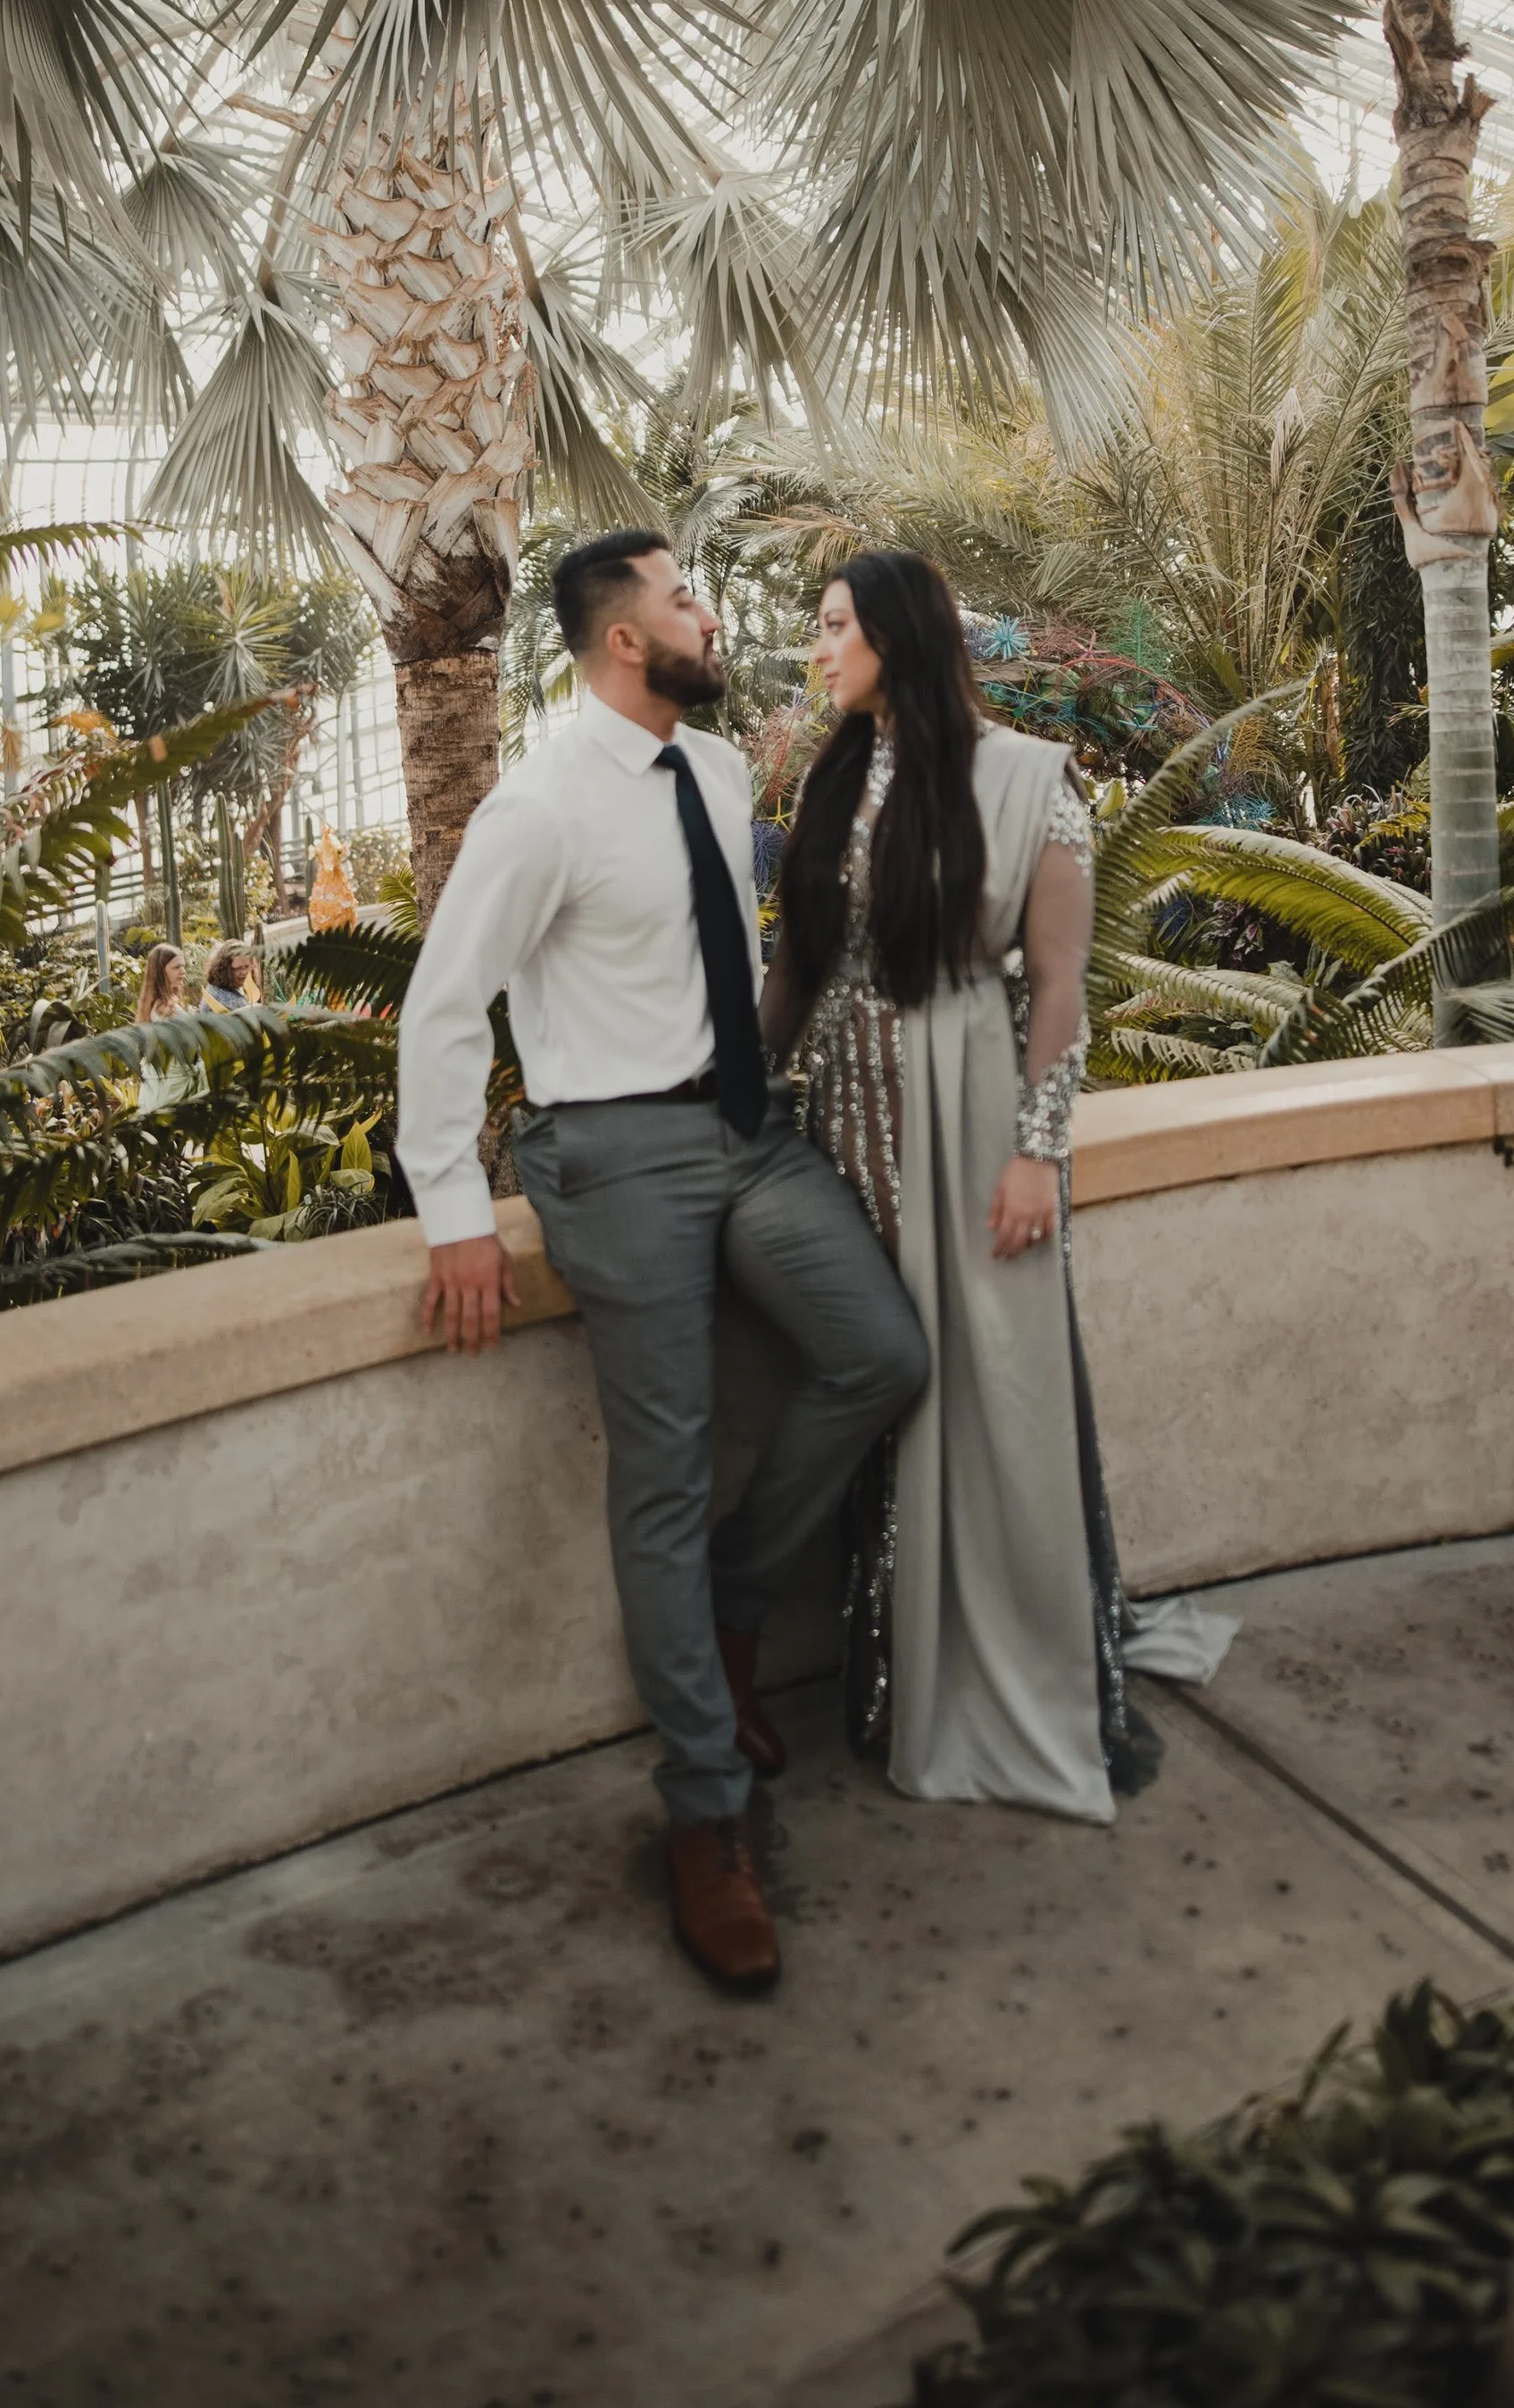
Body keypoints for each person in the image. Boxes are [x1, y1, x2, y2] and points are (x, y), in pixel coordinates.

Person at [397, 530, 929, 1997]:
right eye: (684, 596)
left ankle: (737, 1609)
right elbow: (444, 1005)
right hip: (614, 1156)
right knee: (666, 1465)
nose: (710, 613)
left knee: (882, 1353)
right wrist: (453, 1202)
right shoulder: (539, 803)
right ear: (626, 640)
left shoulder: (709, 772)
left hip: (743, 1129)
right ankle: (705, 1815)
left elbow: (724, 957)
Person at [764, 549, 1235, 1820]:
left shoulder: (1029, 779)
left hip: (971, 1113)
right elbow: (797, 971)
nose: (817, 650)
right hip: (837, 1130)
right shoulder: (837, 773)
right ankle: (889, 1661)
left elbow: (1062, 986)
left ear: (899, 634)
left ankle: (997, 1658)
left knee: (991, 1379)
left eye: (833, 626)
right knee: (886, 1386)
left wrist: (1038, 1148)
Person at [134, 942, 192, 1114]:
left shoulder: (159, 1004)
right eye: (176, 967)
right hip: (172, 1085)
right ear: (161, 972)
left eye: (183, 966)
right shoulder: (163, 1008)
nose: (183, 971)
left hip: (165, 1083)